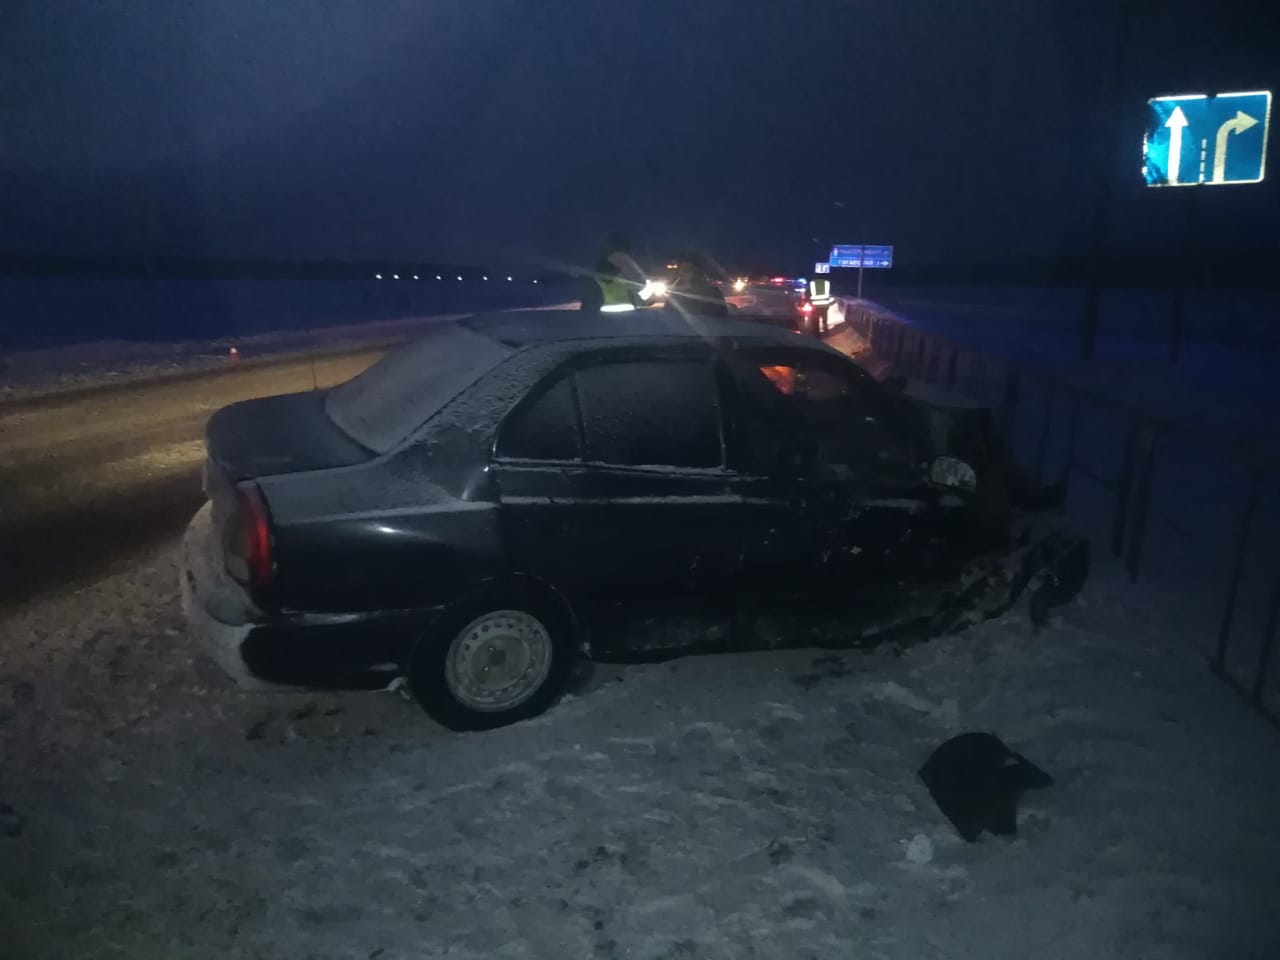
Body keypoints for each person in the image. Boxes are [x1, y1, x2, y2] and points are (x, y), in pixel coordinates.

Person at [579, 235, 643, 313]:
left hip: (605, 316)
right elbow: (643, 298)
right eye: (622, 255)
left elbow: (589, 301)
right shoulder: (627, 274)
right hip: (627, 317)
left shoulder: (598, 274)